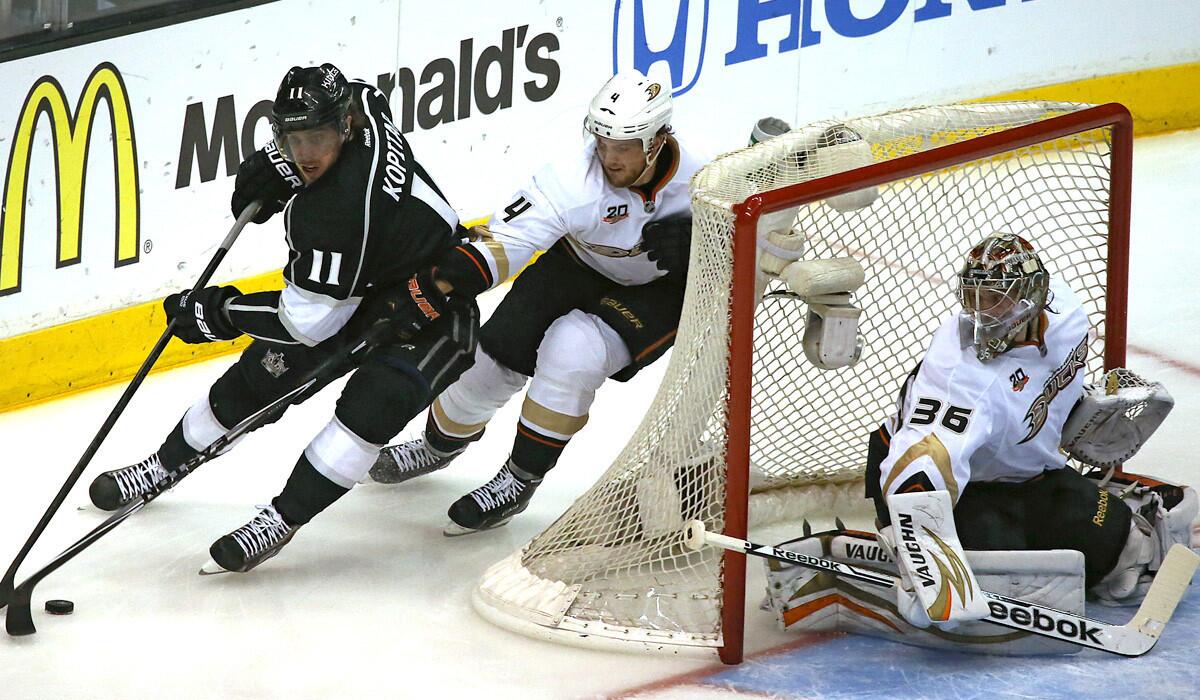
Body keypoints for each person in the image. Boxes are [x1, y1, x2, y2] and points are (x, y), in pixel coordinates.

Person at [87, 63, 479, 573]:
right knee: (255, 382)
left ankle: (280, 519)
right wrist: (284, 165)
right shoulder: (365, 108)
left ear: (343, 126)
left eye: (316, 138)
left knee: (370, 409)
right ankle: (165, 465)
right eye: (292, 139)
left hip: (431, 305)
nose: (305, 154)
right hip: (356, 286)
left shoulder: (333, 213)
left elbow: (308, 324)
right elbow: (366, 96)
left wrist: (220, 313)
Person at [764, 232, 1196, 652]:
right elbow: (919, 464)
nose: (981, 313)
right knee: (995, 586)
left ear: (1034, 295)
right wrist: (930, 563)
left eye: (995, 298)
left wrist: (1076, 416)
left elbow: (1045, 389)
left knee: (1123, 560)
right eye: (972, 298)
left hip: (1031, 476)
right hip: (952, 490)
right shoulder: (959, 375)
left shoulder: (1069, 315)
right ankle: (879, 573)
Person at [369, 69, 709, 535]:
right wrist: (442, 282)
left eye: (624, 145)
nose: (609, 156)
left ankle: (519, 479)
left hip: (659, 291)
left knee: (572, 352)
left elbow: (771, 247)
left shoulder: (708, 179)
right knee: (486, 363)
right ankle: (437, 445)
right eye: (602, 141)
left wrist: (703, 243)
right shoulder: (571, 180)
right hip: (578, 263)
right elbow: (507, 240)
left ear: (657, 140)